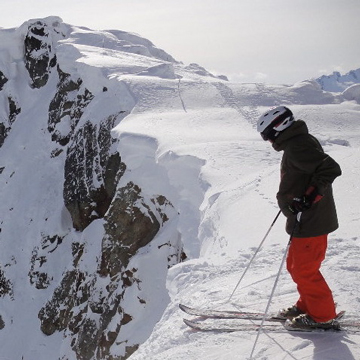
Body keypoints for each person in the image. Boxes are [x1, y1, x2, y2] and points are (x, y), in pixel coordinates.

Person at [257, 106, 342, 330]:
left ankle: (322, 317)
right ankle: (308, 305)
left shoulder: (298, 146)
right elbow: (308, 172)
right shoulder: (297, 142)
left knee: (304, 269)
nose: (268, 141)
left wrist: (308, 197)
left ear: (278, 128)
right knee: (295, 266)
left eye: (268, 136)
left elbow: (330, 169)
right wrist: (294, 196)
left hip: (311, 221)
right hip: (302, 219)